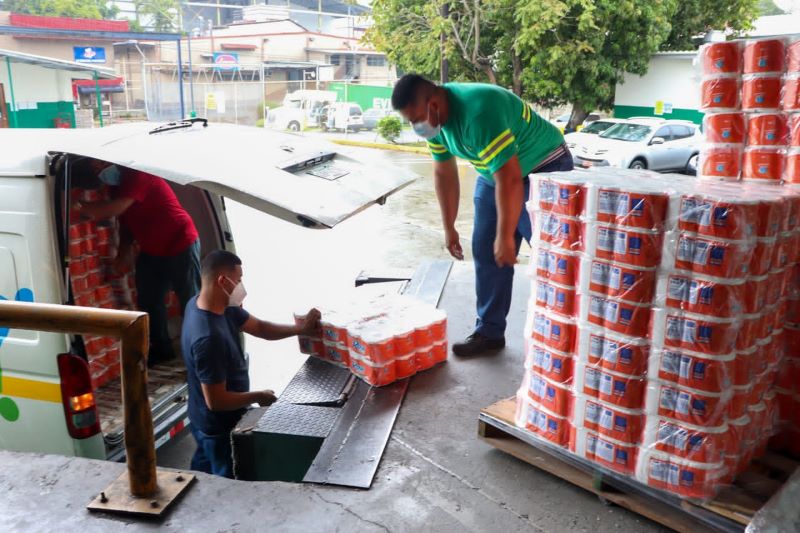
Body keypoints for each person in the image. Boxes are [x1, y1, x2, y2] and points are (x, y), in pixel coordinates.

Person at [391, 75, 574, 357]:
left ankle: (562, 339)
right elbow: (444, 172)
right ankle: (489, 332)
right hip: (495, 173)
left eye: (417, 118)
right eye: (411, 121)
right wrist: (449, 227)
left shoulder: (479, 112)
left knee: (551, 256)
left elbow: (511, 179)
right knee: (486, 249)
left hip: (544, 165)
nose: (418, 127)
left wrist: (506, 236)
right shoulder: (437, 124)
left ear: (434, 103)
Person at [182, 250, 321, 477]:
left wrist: (302, 329)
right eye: (238, 280)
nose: (241, 286)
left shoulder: (208, 304)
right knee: (225, 483)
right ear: (222, 281)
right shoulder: (208, 338)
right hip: (218, 428)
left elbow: (262, 328)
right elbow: (216, 401)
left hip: (199, 417)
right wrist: (258, 396)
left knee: (199, 477)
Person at [74, 161, 201, 366]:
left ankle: (198, 354)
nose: (100, 172)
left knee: (190, 300)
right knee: (149, 302)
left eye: (100, 167)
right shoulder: (117, 185)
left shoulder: (139, 174)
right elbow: (126, 222)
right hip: (151, 249)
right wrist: (123, 253)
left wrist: (82, 207)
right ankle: (162, 350)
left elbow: (116, 208)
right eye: (96, 170)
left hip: (180, 241)